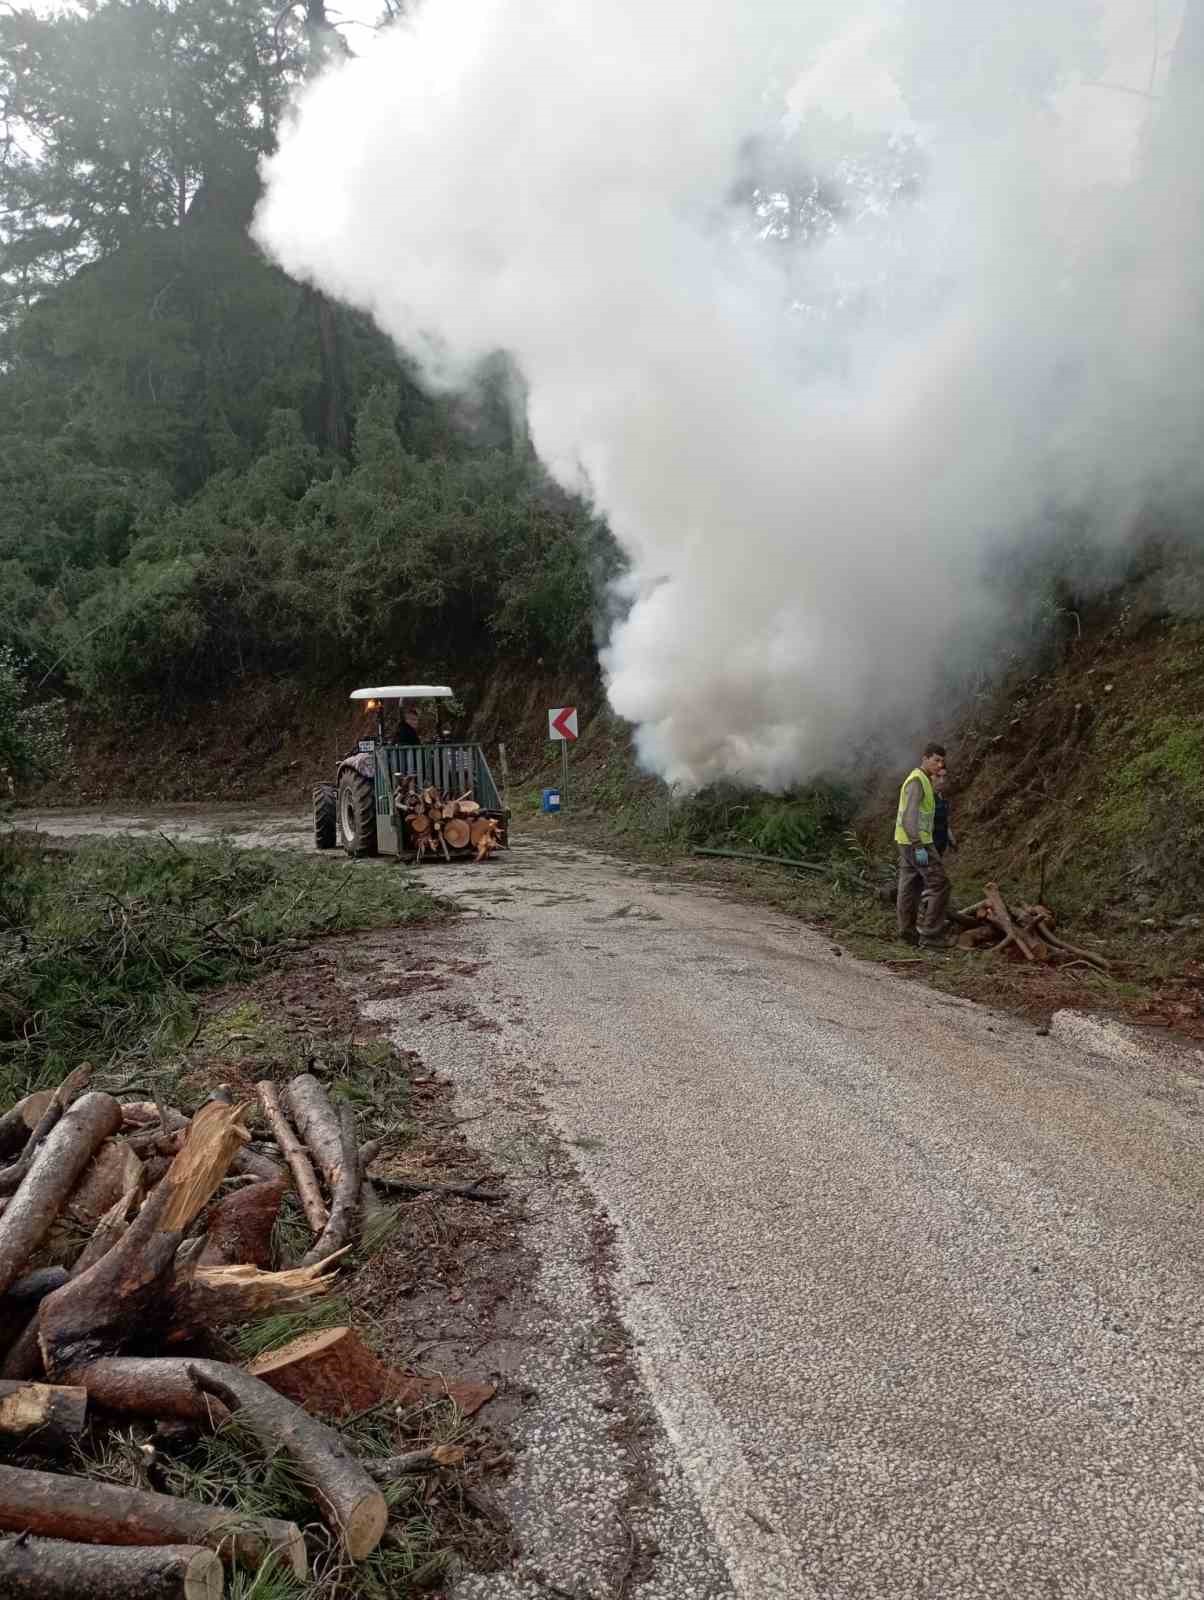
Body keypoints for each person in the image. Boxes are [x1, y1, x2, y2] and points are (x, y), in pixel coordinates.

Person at [894, 743, 952, 949]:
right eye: (936, 760)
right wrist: (919, 846)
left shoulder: (924, 780)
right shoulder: (918, 781)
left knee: (912, 884)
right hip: (916, 844)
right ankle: (930, 935)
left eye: (942, 761)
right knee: (939, 883)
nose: (940, 764)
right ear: (924, 758)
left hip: (908, 842)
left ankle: (907, 934)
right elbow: (910, 817)